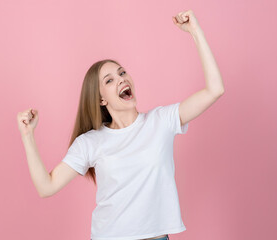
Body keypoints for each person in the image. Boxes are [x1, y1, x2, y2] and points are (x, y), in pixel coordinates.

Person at [17, 9, 225, 240]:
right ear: (101, 99)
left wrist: (195, 31)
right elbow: (46, 187)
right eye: (110, 80)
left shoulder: (161, 121)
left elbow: (215, 90)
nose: (122, 79)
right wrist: (28, 135)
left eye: (122, 72)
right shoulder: (90, 142)